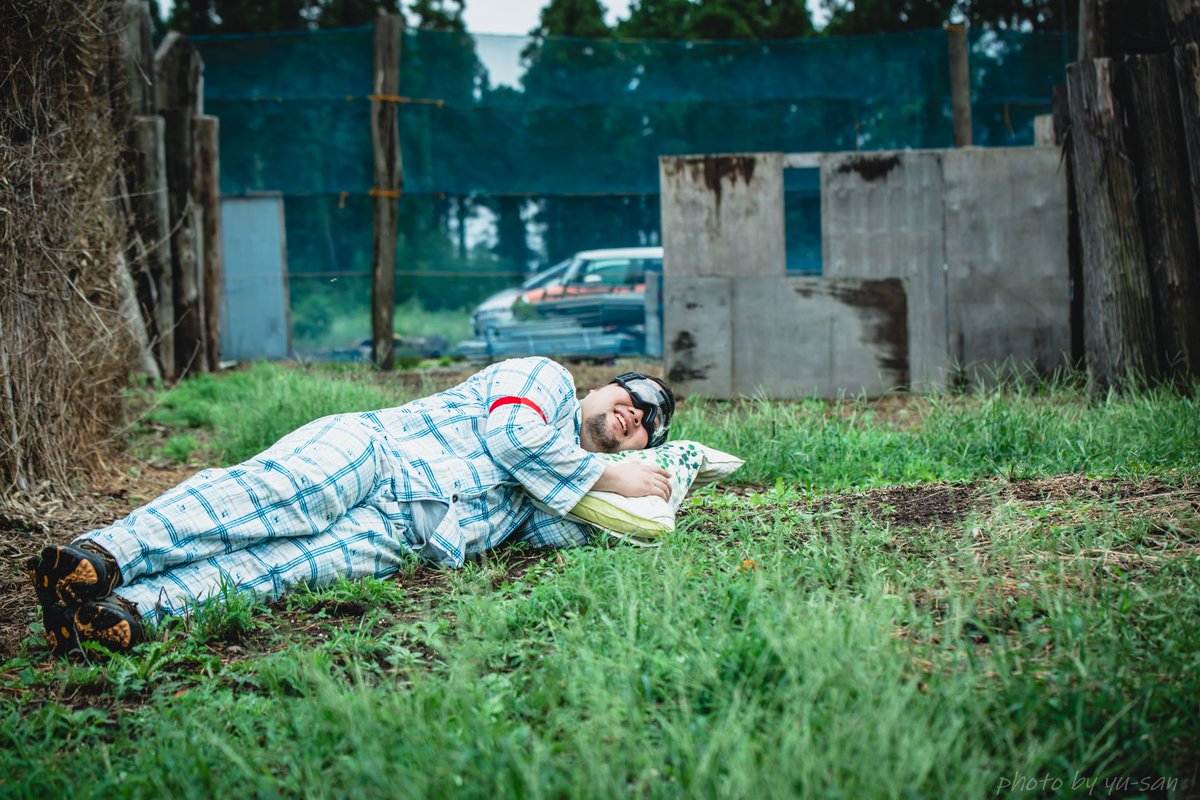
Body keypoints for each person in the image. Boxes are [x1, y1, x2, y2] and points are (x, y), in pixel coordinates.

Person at [28, 357, 676, 656]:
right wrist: (612, 477)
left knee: (282, 569)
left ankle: (124, 611)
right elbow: (512, 435)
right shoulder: (544, 379)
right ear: (602, 387)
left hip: (405, 533)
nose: (635, 416)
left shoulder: (567, 489)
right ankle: (108, 554)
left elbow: (567, 534)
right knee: (277, 496)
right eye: (634, 397)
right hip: (377, 452)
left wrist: (657, 486)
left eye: (648, 426)